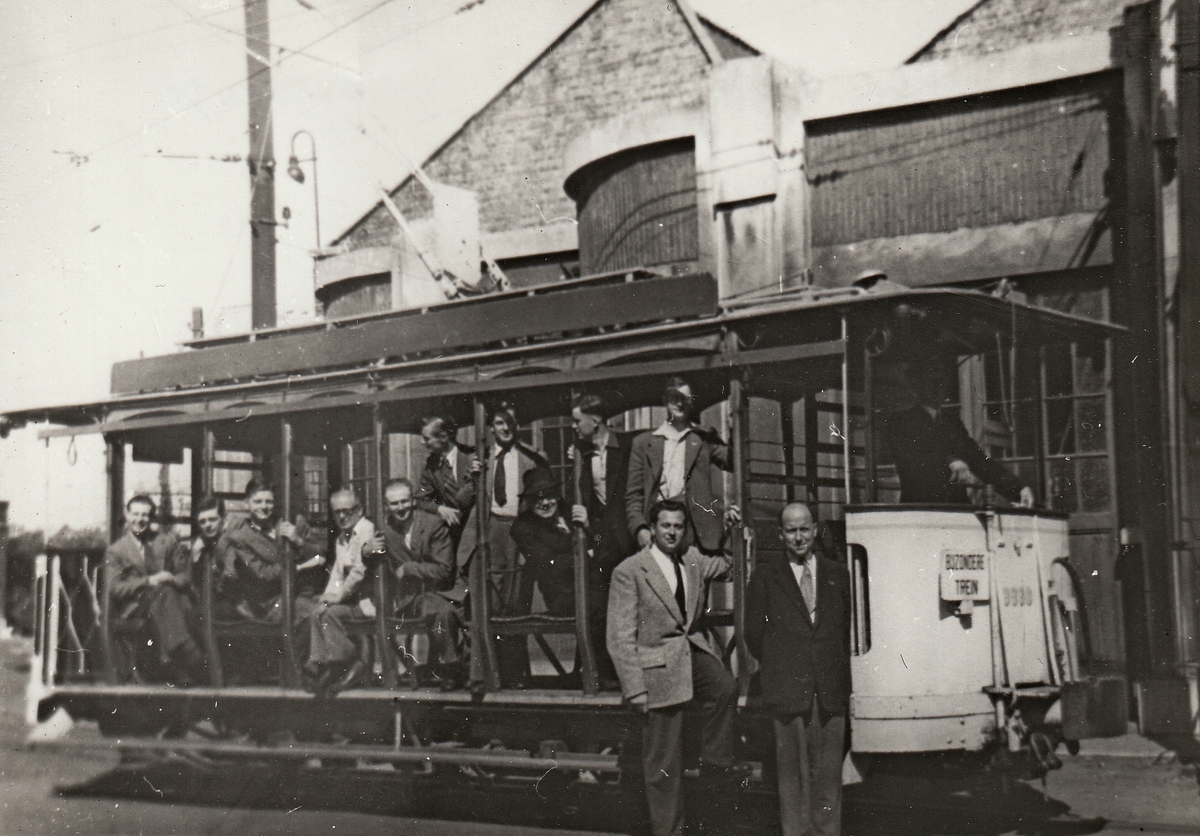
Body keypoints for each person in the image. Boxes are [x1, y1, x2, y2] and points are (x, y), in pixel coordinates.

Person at [607, 499, 747, 836]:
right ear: (653, 529)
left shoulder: (692, 559)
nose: (672, 532)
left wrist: (730, 531)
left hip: (692, 654)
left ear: (685, 529)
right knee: (663, 767)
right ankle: (669, 831)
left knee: (725, 687)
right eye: (666, 525)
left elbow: (729, 565)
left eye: (678, 526)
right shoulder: (630, 571)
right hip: (656, 671)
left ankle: (714, 761)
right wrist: (635, 688)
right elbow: (620, 637)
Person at [746, 502, 851, 836]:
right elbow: (753, 633)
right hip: (787, 687)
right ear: (780, 534)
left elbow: (845, 626)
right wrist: (784, 664)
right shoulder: (765, 575)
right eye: (790, 530)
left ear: (816, 530)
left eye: (804, 529)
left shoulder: (837, 573)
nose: (798, 537)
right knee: (792, 779)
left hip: (829, 689)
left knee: (828, 776)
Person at [456, 400, 548, 687]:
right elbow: (460, 503)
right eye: (499, 423)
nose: (505, 428)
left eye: (510, 422)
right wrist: (473, 478)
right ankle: (481, 676)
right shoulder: (479, 459)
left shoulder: (531, 459)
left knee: (515, 605)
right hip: (487, 533)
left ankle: (513, 676)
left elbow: (543, 503)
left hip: (518, 534)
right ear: (491, 428)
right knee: (486, 606)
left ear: (517, 425)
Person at [885, 364, 1035, 507]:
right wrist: (948, 460)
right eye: (934, 381)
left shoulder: (952, 424)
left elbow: (980, 462)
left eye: (942, 381)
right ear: (916, 384)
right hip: (921, 512)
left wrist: (1019, 489)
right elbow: (913, 458)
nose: (940, 387)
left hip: (957, 512)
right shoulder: (901, 422)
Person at [371, 478, 465, 691]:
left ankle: (451, 668)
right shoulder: (386, 531)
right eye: (394, 504)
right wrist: (366, 551)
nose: (400, 508)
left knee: (441, 611)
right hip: (409, 599)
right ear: (386, 506)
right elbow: (372, 563)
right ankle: (444, 666)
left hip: (442, 592)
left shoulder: (433, 525)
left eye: (404, 501)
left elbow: (444, 569)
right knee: (432, 610)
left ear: (413, 501)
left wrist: (408, 569)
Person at [626, 377, 732, 556]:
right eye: (675, 397)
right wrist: (640, 528)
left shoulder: (702, 438)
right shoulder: (644, 443)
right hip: (658, 526)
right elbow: (633, 494)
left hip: (694, 532)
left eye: (686, 398)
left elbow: (731, 462)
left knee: (694, 582)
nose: (680, 403)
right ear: (665, 400)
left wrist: (733, 428)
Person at [569, 393, 632, 687]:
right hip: (603, 544)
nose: (573, 426)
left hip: (631, 540)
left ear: (595, 422)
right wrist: (592, 537)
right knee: (597, 606)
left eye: (577, 420)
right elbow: (592, 509)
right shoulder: (582, 455)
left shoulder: (628, 447)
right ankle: (604, 674)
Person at [105, 495, 202, 681]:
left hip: (167, 602)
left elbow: (185, 576)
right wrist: (149, 581)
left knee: (166, 592)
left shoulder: (165, 542)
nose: (139, 520)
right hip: (137, 607)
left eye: (145, 515)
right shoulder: (117, 550)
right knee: (165, 593)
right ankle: (187, 651)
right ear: (127, 515)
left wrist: (170, 579)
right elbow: (115, 588)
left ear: (151, 517)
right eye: (135, 514)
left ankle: (170, 657)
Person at [299, 488, 376, 696]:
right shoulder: (342, 539)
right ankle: (319, 663)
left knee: (331, 614)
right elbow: (337, 575)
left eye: (347, 511)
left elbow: (360, 571)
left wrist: (338, 597)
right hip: (351, 601)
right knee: (318, 610)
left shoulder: (366, 532)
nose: (341, 516)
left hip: (368, 602)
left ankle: (341, 663)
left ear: (359, 510)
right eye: (337, 512)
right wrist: (328, 596)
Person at [222, 479, 325, 622]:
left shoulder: (294, 522)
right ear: (247, 503)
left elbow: (320, 554)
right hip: (272, 603)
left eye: (268, 501)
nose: (264, 507)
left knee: (329, 613)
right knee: (318, 615)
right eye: (257, 502)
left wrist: (298, 541)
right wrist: (298, 567)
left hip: (306, 592)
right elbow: (263, 574)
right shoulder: (241, 537)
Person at [510, 468, 576, 618]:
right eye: (537, 498)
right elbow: (551, 564)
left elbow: (598, 540)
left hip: (593, 586)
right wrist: (575, 543)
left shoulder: (571, 513)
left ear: (558, 496)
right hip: (562, 596)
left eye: (549, 496)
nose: (545, 503)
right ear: (528, 501)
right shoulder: (523, 527)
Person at [414, 416, 476, 550]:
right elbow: (420, 500)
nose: (422, 442)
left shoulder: (472, 456)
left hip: (476, 529)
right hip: (454, 534)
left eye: (426, 438)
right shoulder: (431, 466)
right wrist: (440, 509)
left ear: (443, 437)